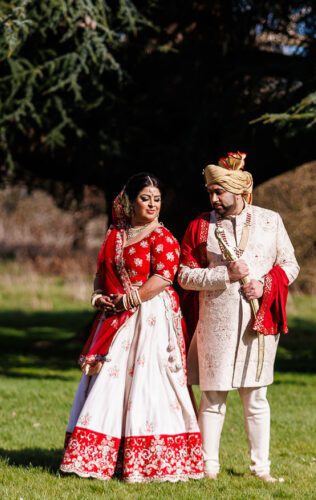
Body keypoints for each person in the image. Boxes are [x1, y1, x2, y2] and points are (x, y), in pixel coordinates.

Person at [60, 173, 203, 483]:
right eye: (145, 198)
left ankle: (153, 460)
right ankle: (103, 457)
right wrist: (99, 296)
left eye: (157, 199)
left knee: (148, 382)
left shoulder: (162, 237)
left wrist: (130, 300)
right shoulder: (117, 234)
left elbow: (163, 278)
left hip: (150, 317)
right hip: (116, 315)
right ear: (131, 200)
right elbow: (102, 271)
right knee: (109, 379)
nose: (152, 204)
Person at [178, 152, 299, 482]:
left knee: (256, 398)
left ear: (238, 190)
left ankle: (262, 469)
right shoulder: (200, 226)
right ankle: (208, 469)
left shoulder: (270, 221)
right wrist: (223, 276)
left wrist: (263, 285)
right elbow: (184, 276)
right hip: (214, 324)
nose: (213, 198)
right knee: (213, 397)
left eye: (219, 191)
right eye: (210, 192)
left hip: (257, 324)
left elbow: (290, 265)